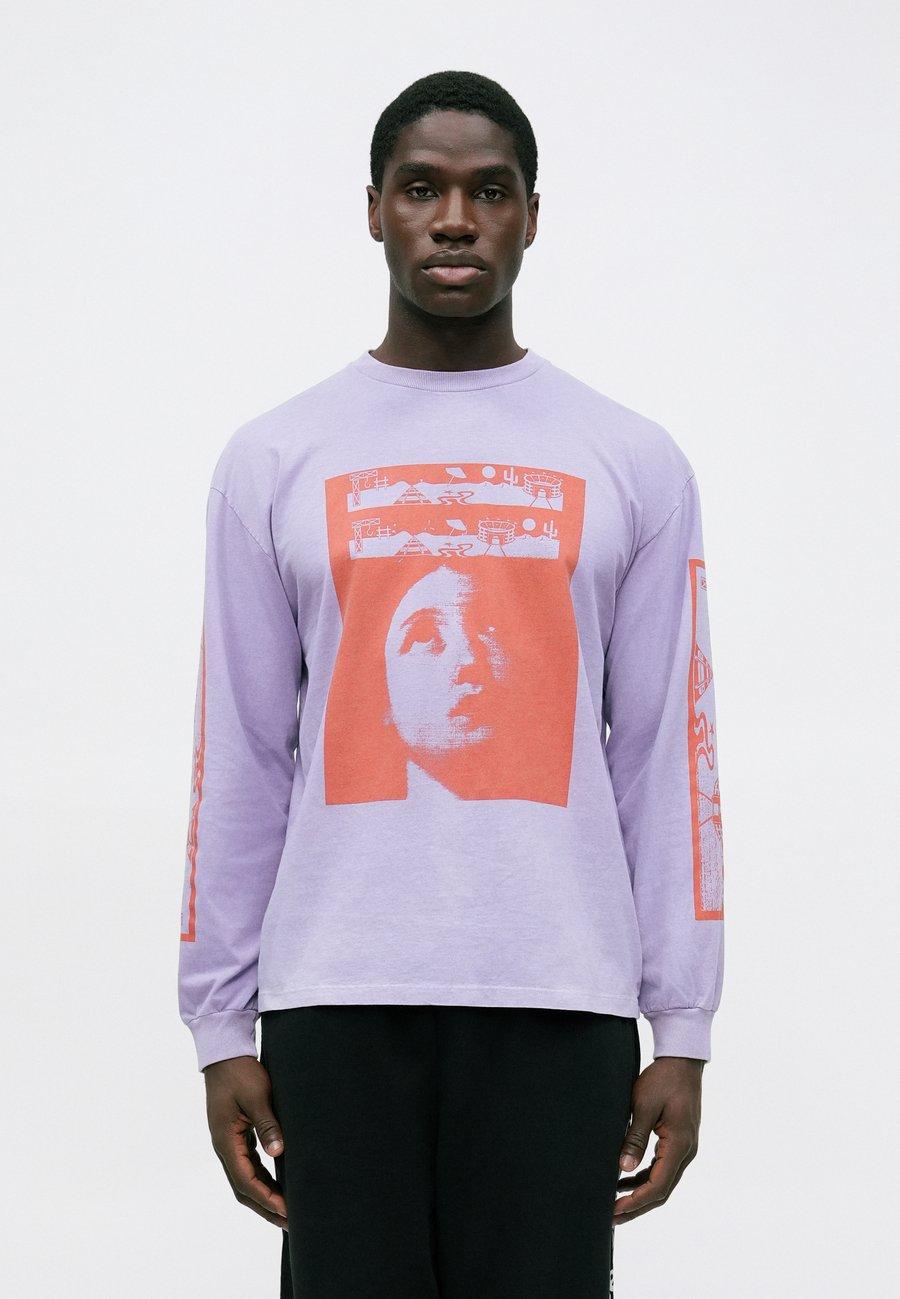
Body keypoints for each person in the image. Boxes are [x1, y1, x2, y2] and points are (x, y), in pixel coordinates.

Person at [178, 69, 725, 1298]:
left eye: (490, 191)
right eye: (422, 189)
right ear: (375, 210)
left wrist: (682, 1025)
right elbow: (244, 751)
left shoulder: (631, 459)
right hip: (335, 996)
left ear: (532, 215)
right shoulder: (277, 458)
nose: (456, 220)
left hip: (561, 994)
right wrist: (219, 1025)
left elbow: (661, 755)